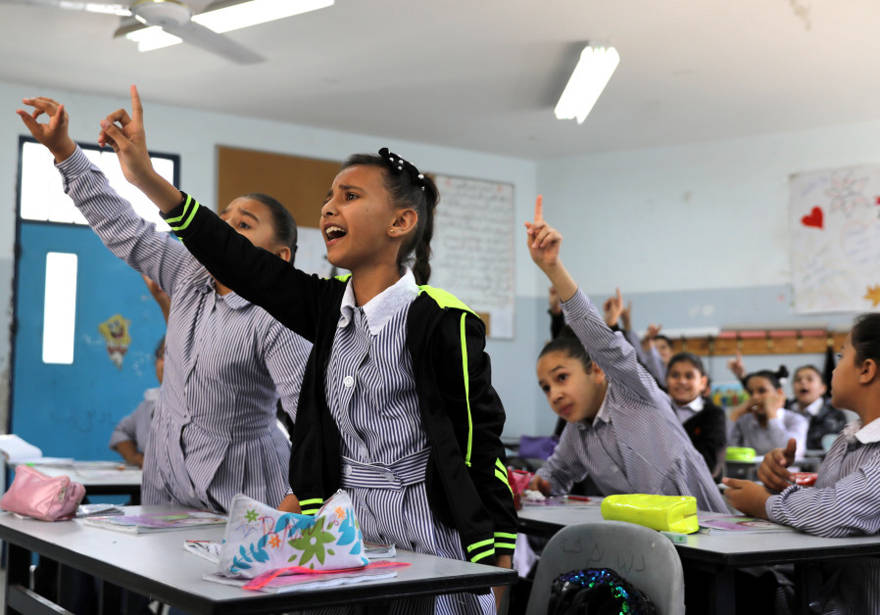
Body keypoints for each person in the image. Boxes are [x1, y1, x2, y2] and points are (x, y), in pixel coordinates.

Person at [90, 86, 516, 614]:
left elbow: (479, 443)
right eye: (330, 197)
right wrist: (147, 181)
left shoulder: (441, 320)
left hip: (430, 535)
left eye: (351, 196)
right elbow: (242, 262)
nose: (330, 207)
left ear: (400, 223)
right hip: (346, 536)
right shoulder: (323, 308)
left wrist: (495, 563)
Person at [17, 94, 312, 513]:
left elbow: (314, 419)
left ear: (281, 256)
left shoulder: (277, 319)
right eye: (223, 218)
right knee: (155, 575)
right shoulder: (189, 272)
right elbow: (123, 226)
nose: (225, 228)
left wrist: (299, 500)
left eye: (243, 225)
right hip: (167, 471)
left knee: (228, 578)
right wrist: (65, 151)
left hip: (246, 486)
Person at [525, 196, 726, 513]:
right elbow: (556, 476)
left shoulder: (632, 390)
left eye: (562, 377)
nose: (555, 393)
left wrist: (552, 268)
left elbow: (593, 332)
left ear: (597, 369)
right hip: (644, 548)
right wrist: (537, 487)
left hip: (706, 536)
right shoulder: (577, 433)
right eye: (546, 387)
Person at [724, 314, 880, 614]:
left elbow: (833, 510)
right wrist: (786, 483)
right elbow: (836, 490)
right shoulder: (847, 439)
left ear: (866, 369)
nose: (834, 368)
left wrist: (764, 503)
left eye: (841, 356)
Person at [666, 352, 727, 481]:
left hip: (700, 488)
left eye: (689, 376)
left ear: (703, 383)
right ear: (666, 380)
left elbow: (710, 463)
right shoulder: (659, 410)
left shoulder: (714, 415)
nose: (682, 381)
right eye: (675, 375)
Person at [109, 336, 165, 467]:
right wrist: (135, 457)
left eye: (173, 354)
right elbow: (121, 433)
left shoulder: (202, 403)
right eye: (162, 354)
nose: (166, 362)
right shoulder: (149, 404)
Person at [729, 368, 808, 458]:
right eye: (751, 393)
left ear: (779, 393)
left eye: (762, 391)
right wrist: (735, 414)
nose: (755, 397)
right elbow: (726, 451)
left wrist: (771, 414)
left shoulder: (797, 420)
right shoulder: (745, 421)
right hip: (750, 472)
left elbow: (791, 452)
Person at [789, 364, 847, 450]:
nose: (803, 382)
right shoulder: (784, 410)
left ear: (822, 388)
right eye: (798, 380)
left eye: (810, 379)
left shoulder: (835, 414)